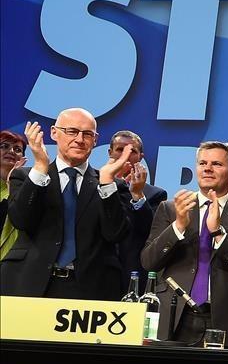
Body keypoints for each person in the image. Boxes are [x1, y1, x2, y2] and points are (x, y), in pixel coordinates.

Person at [141, 141, 228, 348]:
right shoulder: (171, 209)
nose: (207, 168)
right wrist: (178, 226)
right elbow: (149, 262)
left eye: (216, 164)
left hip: (223, 319)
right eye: (202, 163)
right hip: (173, 316)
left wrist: (218, 233)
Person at [0, 110, 132, 300]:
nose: (79, 139)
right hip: (29, 285)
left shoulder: (113, 186)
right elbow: (21, 220)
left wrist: (107, 181)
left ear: (95, 140)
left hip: (91, 290)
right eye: (72, 131)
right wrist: (40, 167)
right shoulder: (25, 176)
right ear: (54, 132)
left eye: (87, 134)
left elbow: (115, 234)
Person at [109, 130, 168, 292]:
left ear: (141, 156)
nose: (126, 155)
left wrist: (137, 195)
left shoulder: (155, 195)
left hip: (132, 278)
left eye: (132, 151)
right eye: (120, 150)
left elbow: (151, 233)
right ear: (110, 153)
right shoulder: (95, 185)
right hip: (97, 275)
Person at [0, 129, 28, 260]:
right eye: (4, 146)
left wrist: (13, 182)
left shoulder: (29, 188)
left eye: (17, 149)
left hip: (12, 266)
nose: (11, 151)